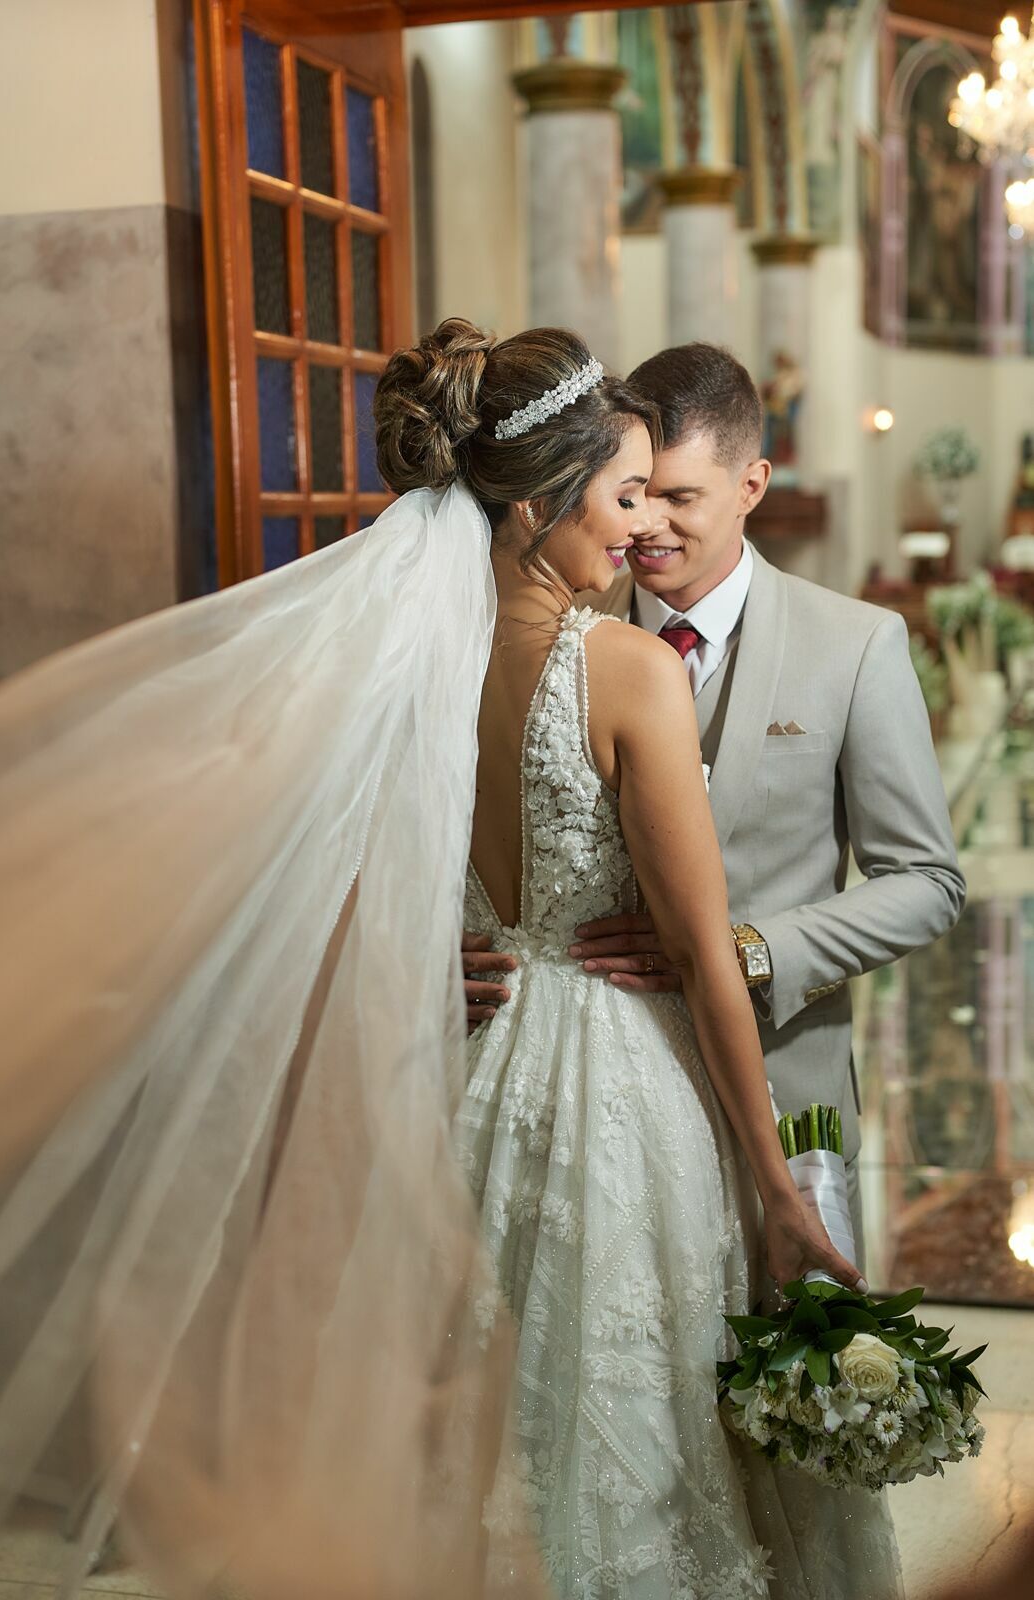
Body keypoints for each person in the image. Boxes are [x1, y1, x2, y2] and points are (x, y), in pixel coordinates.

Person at [379, 321, 899, 1599]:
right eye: (620, 495)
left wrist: (428, 963)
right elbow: (703, 958)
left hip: (471, 1078)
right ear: (535, 505)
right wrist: (777, 1192)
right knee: (634, 1431)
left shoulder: (412, 665)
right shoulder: (623, 671)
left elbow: (357, 880)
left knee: (487, 1432)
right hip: (620, 1097)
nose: (637, 530)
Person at [469, 342, 965, 1271]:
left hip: (783, 1092)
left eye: (679, 497)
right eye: (632, 493)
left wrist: (747, 951)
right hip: (588, 1111)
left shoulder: (854, 645)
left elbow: (928, 883)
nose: (646, 525)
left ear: (750, 486)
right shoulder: (563, 630)